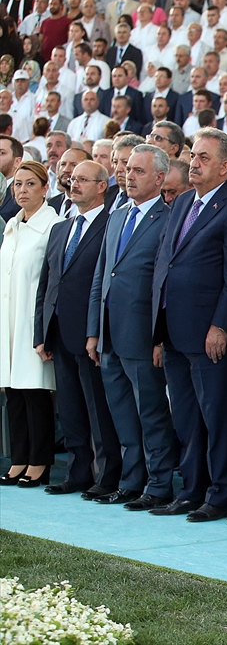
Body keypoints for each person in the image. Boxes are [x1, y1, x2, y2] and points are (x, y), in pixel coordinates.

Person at [150, 128, 227, 521]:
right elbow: (166, 262)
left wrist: (221, 326)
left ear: (225, 167)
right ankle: (192, 490)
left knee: (216, 417)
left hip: (208, 331)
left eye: (203, 158)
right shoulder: (182, 202)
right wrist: (158, 327)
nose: (194, 163)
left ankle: (220, 495)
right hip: (173, 329)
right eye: (193, 155)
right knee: (186, 418)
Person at [85, 145, 177, 509]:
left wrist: (159, 335)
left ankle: (159, 485)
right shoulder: (118, 215)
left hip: (142, 333)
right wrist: (94, 330)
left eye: (139, 170)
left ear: (159, 177)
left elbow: (164, 285)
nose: (128, 176)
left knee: (151, 414)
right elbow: (102, 275)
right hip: (110, 333)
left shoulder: (168, 219)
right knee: (122, 413)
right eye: (127, 169)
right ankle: (130, 482)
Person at [35, 160, 119, 496]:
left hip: (89, 332)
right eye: (72, 179)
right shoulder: (61, 228)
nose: (74, 184)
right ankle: (78, 472)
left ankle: (106, 475)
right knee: (69, 407)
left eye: (83, 179)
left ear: (101, 186)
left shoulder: (111, 224)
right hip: (58, 329)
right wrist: (41, 332)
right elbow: (47, 283)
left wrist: (94, 331)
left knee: (97, 407)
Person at [0, 161, 58, 487]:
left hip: (32, 319)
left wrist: (43, 330)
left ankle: (39, 461)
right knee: (13, 392)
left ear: (45, 187)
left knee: (34, 392)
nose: (22, 190)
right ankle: (18, 458)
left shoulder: (53, 225)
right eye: (17, 185)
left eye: (30, 184)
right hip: (8, 319)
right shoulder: (12, 225)